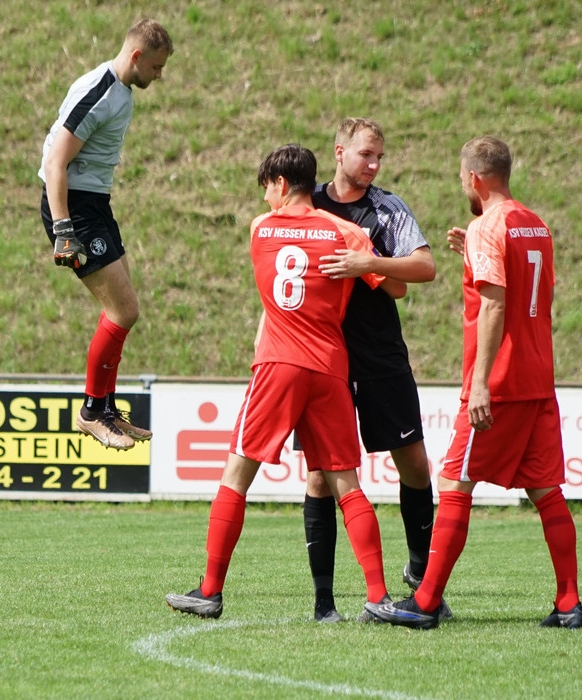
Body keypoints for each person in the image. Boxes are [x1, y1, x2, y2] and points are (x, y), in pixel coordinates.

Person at [165, 144, 405, 620]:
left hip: (278, 363)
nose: (265, 199)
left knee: (236, 476)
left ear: (279, 184)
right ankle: (378, 597)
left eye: (267, 188)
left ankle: (209, 591)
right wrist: (364, 262)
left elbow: (274, 262)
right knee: (346, 483)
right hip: (330, 367)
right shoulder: (347, 232)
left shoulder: (260, 227)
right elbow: (394, 286)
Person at [365, 136, 582, 629]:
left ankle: (425, 602)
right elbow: (531, 286)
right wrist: (477, 247)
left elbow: (494, 304)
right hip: (537, 378)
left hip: (501, 381)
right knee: (546, 490)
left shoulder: (488, 226)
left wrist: (480, 383)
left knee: (454, 483)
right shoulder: (535, 223)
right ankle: (569, 603)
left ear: (474, 178)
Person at [292, 117, 442, 623]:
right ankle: (324, 603)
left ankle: (421, 578)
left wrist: (368, 264)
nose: (374, 165)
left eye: (379, 157)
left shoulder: (387, 208)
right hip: (321, 355)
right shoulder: (307, 203)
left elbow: (423, 268)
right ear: (340, 152)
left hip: (380, 355)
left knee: (414, 463)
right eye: (365, 155)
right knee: (320, 475)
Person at [38, 19, 173, 449]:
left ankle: (106, 407)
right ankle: (92, 412)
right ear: (136, 56)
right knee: (124, 310)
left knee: (121, 309)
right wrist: (63, 229)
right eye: (156, 66)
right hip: (75, 209)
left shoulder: (121, 91)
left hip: (95, 205)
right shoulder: (98, 91)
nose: (159, 75)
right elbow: (55, 162)